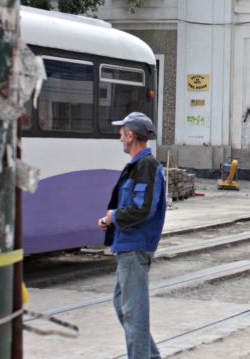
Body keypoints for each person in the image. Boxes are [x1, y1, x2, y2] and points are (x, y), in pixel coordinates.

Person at [98, 112, 166, 359]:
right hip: (127, 244)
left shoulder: (146, 166)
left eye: (121, 132)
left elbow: (143, 209)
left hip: (135, 248)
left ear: (130, 135)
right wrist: (111, 221)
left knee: (133, 313)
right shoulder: (138, 165)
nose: (119, 137)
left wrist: (113, 217)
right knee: (122, 307)